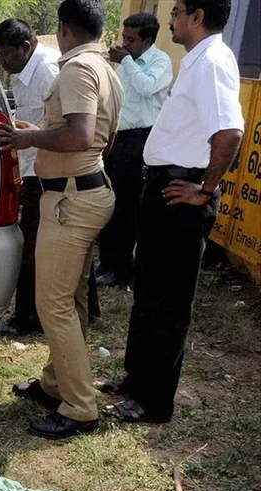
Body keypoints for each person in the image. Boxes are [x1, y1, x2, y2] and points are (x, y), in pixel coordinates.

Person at [102, 0, 243, 423]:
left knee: (167, 302)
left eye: (178, 10)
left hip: (183, 193)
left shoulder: (213, 61)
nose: (171, 17)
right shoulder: (197, 60)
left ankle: (153, 400)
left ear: (198, 16)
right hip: (163, 189)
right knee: (148, 292)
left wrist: (206, 189)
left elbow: (230, 132)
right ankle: (135, 382)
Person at [0, 0, 122, 440]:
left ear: (64, 29)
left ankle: (81, 407)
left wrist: (28, 137)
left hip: (72, 199)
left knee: (52, 304)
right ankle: (56, 384)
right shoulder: (103, 66)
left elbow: (82, 134)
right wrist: (42, 134)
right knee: (70, 300)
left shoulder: (74, 69)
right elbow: (104, 137)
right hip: (86, 190)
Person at [0, 19, 60, 336]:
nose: (2, 62)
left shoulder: (48, 73)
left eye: (5, 55)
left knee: (34, 245)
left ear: (25, 48)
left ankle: (27, 319)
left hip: (45, 169)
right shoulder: (25, 71)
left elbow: (59, 128)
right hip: (33, 165)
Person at [97, 13, 173, 288]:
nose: (125, 44)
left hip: (142, 139)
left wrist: (127, 61)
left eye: (131, 40)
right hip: (118, 138)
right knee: (110, 201)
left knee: (127, 206)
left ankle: (122, 269)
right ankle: (107, 264)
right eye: (123, 38)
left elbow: (146, 87)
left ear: (147, 40)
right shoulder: (126, 63)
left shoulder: (159, 62)